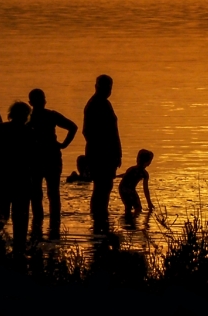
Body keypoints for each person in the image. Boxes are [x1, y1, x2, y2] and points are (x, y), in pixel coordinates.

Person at [27, 89, 78, 235]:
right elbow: (73, 127)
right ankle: (52, 227)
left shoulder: (29, 118)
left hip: (41, 159)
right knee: (51, 194)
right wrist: (63, 144)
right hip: (46, 158)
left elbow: (73, 127)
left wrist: (63, 145)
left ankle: (40, 226)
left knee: (39, 193)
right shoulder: (48, 116)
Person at [0, 101, 38, 256]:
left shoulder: (0, 130)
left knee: (2, 214)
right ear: (26, 115)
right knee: (20, 217)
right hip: (22, 178)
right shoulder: (29, 132)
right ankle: (19, 249)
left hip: (3, 178)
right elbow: (34, 158)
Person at [83, 74, 122, 219]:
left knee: (104, 187)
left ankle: (100, 218)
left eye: (109, 88)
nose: (107, 90)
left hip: (108, 153)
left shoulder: (104, 103)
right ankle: (98, 218)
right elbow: (88, 132)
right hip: (101, 154)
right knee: (101, 187)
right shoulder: (95, 105)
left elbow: (113, 131)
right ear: (96, 87)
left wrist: (117, 153)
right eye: (104, 87)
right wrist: (106, 152)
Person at [118, 149, 154, 215]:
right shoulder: (144, 174)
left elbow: (126, 175)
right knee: (138, 208)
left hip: (122, 188)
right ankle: (132, 221)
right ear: (148, 162)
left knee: (128, 206)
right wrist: (149, 202)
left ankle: (128, 220)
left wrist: (116, 176)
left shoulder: (131, 169)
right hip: (130, 190)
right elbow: (146, 189)